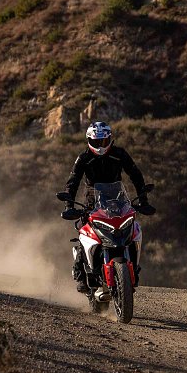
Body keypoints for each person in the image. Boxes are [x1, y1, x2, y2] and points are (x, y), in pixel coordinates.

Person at [59, 121, 155, 292]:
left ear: (110, 139)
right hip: (92, 200)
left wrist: (143, 200)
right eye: (96, 142)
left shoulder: (120, 154)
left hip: (118, 199)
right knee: (84, 231)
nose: (100, 145)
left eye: (104, 141)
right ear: (89, 140)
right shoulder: (84, 157)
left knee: (132, 229)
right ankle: (81, 274)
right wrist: (69, 205)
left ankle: (134, 268)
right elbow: (73, 181)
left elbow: (135, 175)